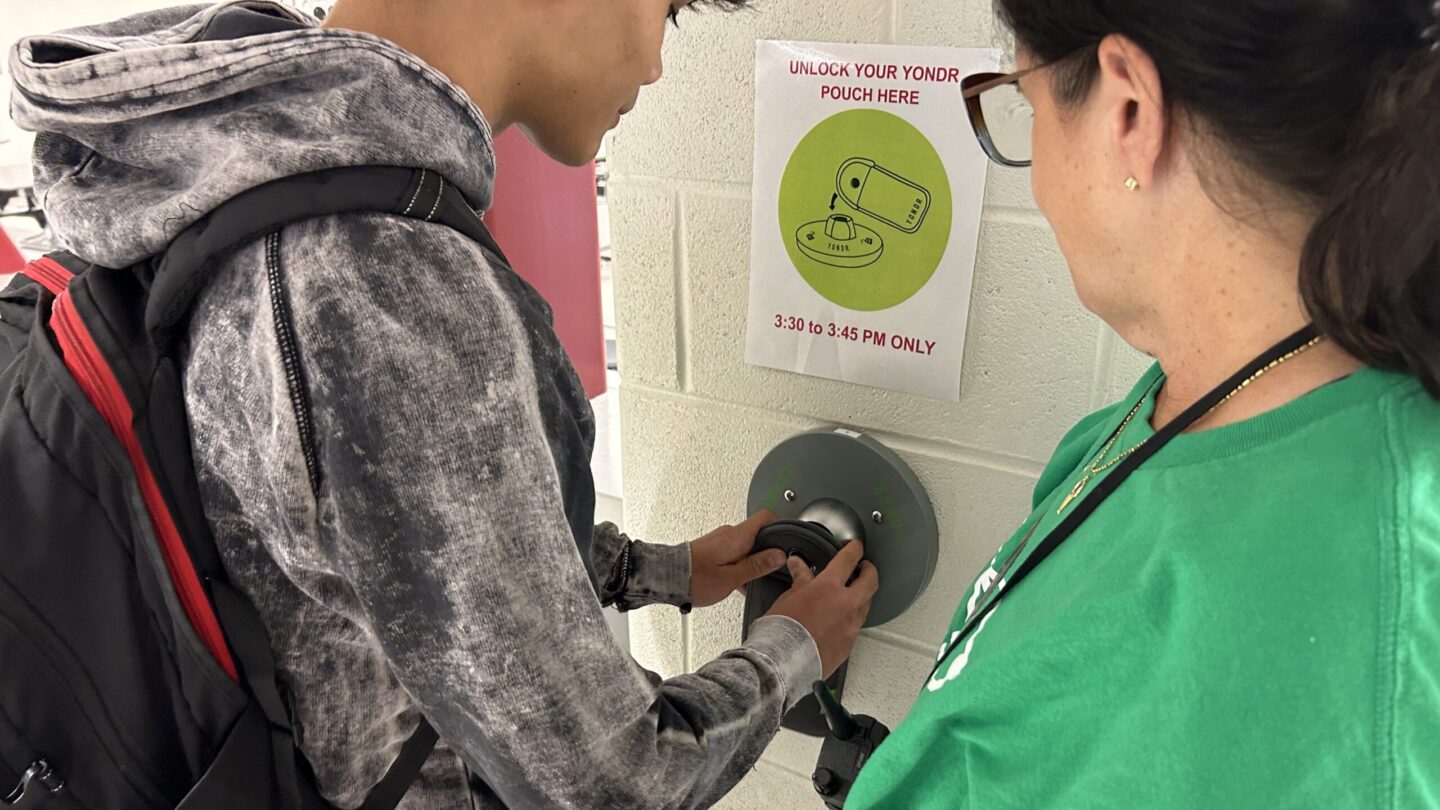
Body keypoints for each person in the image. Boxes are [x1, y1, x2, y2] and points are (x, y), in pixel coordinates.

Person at [8, 0, 879, 807]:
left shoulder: (232, 165)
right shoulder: (382, 280)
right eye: (669, 9)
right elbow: (610, 781)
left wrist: (663, 571)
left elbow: (364, 539)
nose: (655, 64)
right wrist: (792, 651)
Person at [847, 0, 1440, 806]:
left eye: (1025, 103)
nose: (1042, 180)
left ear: (1129, 109)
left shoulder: (1370, 666)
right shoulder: (1187, 397)